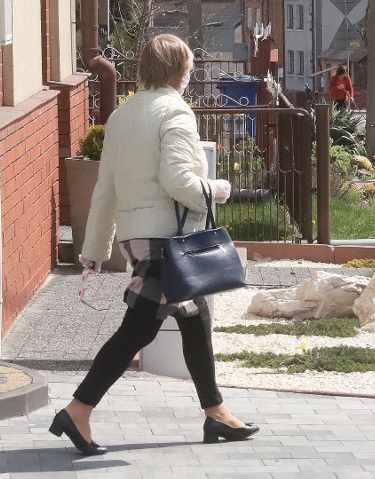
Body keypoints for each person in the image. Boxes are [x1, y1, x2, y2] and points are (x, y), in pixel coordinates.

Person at [49, 34, 258, 456]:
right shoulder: (175, 113)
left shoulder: (123, 116)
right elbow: (179, 181)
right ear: (180, 70)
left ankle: (215, 411)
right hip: (167, 239)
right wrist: (217, 189)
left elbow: (105, 188)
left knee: (193, 316)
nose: (189, 76)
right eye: (189, 68)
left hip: (139, 237)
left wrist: (94, 247)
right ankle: (78, 409)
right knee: (139, 328)